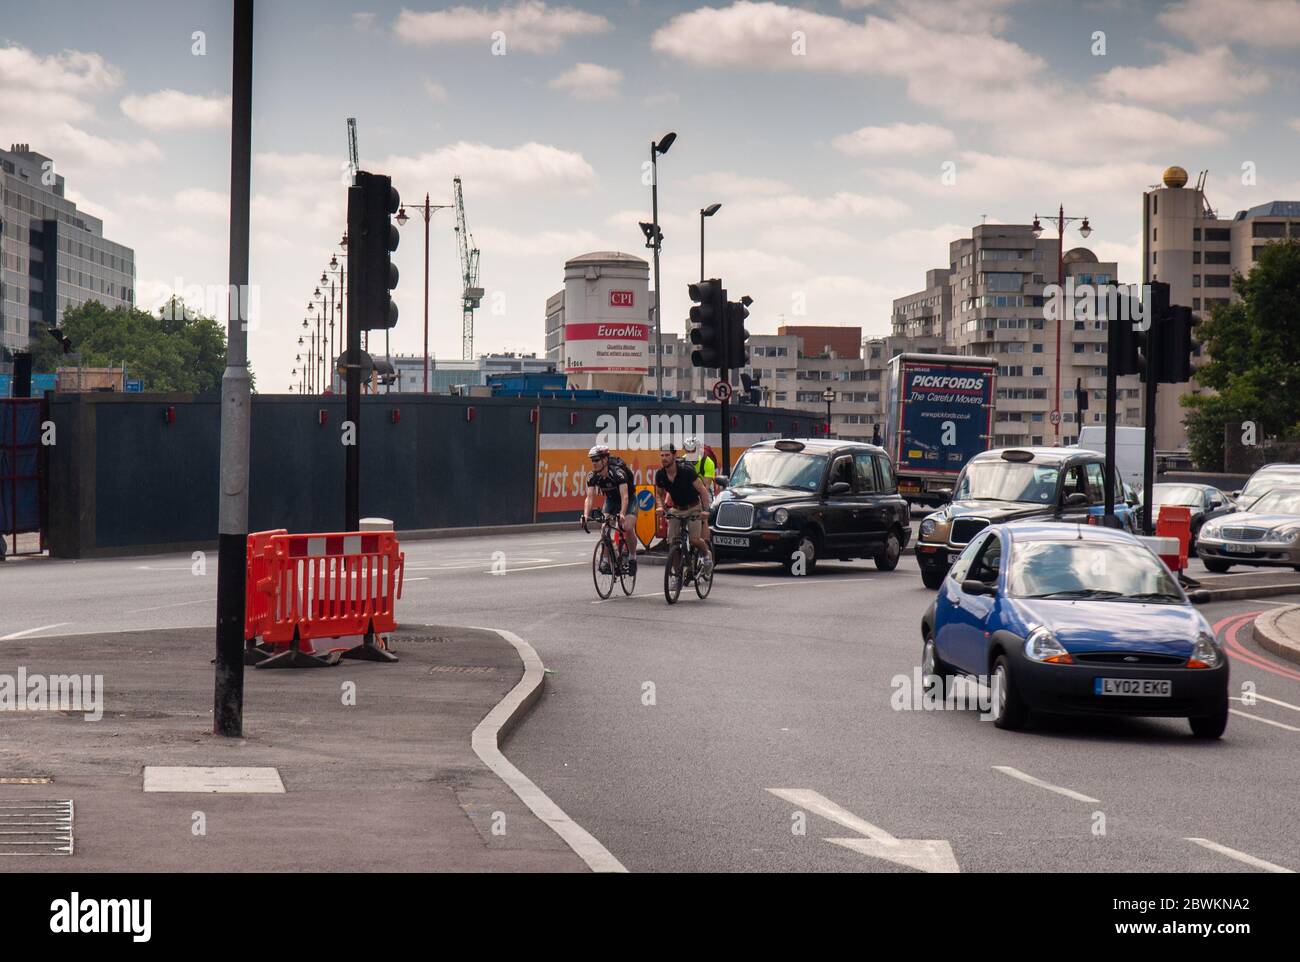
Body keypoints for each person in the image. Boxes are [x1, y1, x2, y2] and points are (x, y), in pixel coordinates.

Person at [654, 441, 713, 574]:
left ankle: (706, 555)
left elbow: (703, 491)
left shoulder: (686, 471)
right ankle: (676, 575)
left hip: (693, 507)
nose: (664, 458)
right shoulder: (660, 474)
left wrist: (705, 511)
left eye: (667, 455)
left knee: (694, 539)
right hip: (677, 509)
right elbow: (659, 494)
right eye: (662, 455)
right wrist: (661, 507)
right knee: (672, 544)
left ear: (674, 456)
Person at [582, 443, 637, 573]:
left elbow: (625, 497)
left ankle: (632, 557)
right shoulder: (592, 476)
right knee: (604, 528)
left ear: (605, 460)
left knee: (626, 527)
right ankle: (606, 560)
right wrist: (585, 515)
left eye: (596, 460)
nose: (593, 463)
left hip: (628, 500)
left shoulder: (618, 473)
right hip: (611, 500)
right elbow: (589, 498)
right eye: (592, 460)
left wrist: (622, 514)